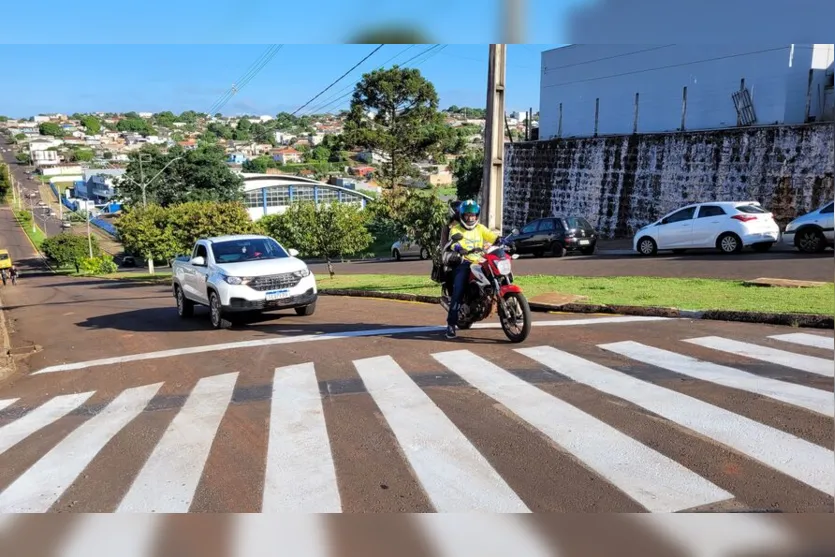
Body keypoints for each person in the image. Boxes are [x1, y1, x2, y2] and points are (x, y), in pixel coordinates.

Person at [444, 199, 500, 339]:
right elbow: (454, 243)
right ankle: (451, 324)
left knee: (498, 274)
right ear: (462, 216)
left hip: (480, 261)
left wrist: (502, 241)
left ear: (477, 215)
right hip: (464, 263)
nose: (470, 218)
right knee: (459, 290)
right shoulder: (456, 229)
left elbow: (493, 237)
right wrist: (459, 249)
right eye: (468, 215)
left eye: (473, 215)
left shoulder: (480, 228)